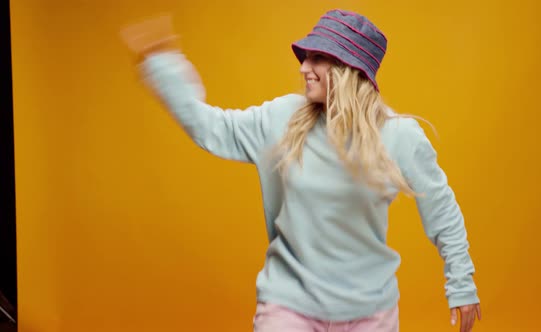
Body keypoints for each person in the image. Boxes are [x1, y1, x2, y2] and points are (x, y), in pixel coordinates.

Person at [120, 9, 481, 332]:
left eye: (317, 58)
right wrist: (164, 67)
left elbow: (441, 209)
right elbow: (211, 128)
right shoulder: (283, 118)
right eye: (305, 57)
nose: (303, 67)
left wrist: (461, 284)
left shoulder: (400, 137)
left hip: (370, 309)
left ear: (349, 68)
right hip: (288, 304)